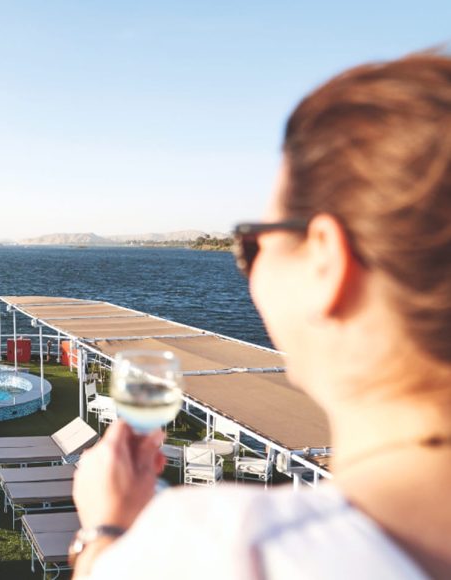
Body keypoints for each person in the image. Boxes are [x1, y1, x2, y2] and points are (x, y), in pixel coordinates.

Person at [72, 52, 451, 579]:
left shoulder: (231, 549)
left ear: (326, 262)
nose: (248, 268)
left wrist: (103, 536)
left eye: (253, 244)